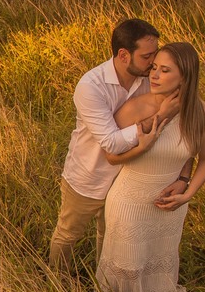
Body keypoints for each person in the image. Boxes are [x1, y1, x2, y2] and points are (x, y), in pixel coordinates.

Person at [48, 18, 187, 273]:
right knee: (68, 234)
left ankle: (104, 286)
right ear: (124, 55)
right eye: (147, 57)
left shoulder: (148, 78)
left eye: (155, 55)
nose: (153, 64)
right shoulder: (91, 87)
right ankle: (57, 281)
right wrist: (159, 117)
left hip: (127, 177)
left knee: (110, 236)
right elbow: (111, 141)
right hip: (90, 176)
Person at [96, 42, 205, 292]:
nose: (154, 75)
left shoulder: (201, 112)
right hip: (130, 201)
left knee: (159, 262)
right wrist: (159, 117)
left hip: (169, 206)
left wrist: (187, 190)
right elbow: (111, 156)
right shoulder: (135, 108)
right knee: (128, 264)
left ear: (185, 77)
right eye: (153, 68)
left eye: (164, 70)